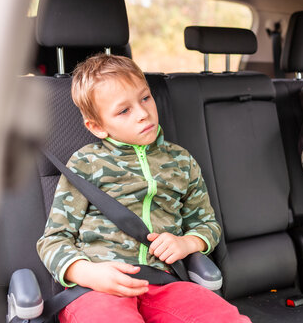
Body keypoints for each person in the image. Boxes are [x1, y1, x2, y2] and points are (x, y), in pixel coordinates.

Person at [37, 54, 251, 323]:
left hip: (165, 283)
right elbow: (53, 239)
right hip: (98, 288)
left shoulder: (181, 161)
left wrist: (186, 243)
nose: (142, 113)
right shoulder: (86, 164)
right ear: (97, 127)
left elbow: (207, 224)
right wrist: (87, 272)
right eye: (124, 110)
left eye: (145, 98)